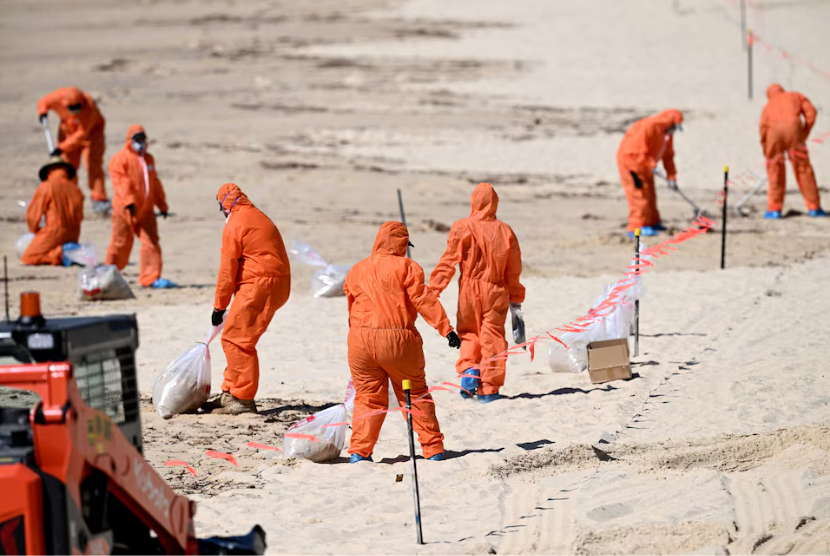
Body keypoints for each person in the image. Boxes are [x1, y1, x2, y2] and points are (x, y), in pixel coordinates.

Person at [344, 221, 460, 463]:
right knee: (415, 392)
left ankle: (359, 453)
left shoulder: (356, 269)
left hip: (359, 341)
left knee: (367, 396)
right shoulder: (408, 266)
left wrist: (358, 337)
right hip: (398, 340)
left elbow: (351, 307)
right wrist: (446, 329)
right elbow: (423, 300)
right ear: (401, 244)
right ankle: (433, 450)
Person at [429, 182, 524, 404]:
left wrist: (433, 291)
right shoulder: (505, 230)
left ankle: (470, 370)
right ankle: (489, 390)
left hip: (469, 289)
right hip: (496, 289)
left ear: (474, 202)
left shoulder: (462, 226)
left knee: (469, 332)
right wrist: (516, 298)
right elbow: (514, 270)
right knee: (493, 338)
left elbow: (448, 262)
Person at [205, 183, 291, 415]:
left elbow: (227, 269)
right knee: (235, 335)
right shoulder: (257, 215)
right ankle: (230, 391)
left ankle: (241, 399)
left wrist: (219, 306)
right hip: (276, 283)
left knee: (237, 339)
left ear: (225, 205)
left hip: (261, 284)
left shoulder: (236, 223)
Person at [104, 125, 175, 288]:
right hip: (125, 209)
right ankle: (108, 275)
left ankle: (150, 278)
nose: (140, 143)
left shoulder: (148, 159)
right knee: (120, 243)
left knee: (151, 243)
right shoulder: (120, 159)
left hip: (146, 210)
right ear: (129, 140)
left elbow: (154, 183)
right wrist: (129, 201)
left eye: (142, 139)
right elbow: (121, 182)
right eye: (136, 140)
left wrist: (162, 205)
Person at [37, 87, 110, 214]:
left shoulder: (90, 106)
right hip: (68, 130)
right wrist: (42, 113)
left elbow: (82, 133)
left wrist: (61, 148)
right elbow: (43, 102)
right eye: (72, 109)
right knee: (68, 166)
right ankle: (69, 198)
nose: (75, 112)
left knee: (93, 165)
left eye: (78, 108)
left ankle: (99, 199)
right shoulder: (57, 97)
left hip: (92, 134)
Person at [760, 84, 824, 218]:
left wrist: (767, 150)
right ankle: (814, 207)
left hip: (773, 134)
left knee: (774, 170)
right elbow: (811, 112)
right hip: (794, 131)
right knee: (803, 168)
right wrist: (804, 133)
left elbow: (763, 129)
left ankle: (774, 209)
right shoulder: (795, 96)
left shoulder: (768, 106)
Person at [616, 109, 684, 236]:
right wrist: (652, 165)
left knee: (650, 194)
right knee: (639, 195)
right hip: (631, 164)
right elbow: (638, 151)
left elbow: (668, 156)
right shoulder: (648, 127)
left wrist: (671, 177)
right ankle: (636, 227)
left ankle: (652, 222)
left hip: (646, 166)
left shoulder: (666, 135)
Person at [21, 156, 85, 266]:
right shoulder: (76, 189)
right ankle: (68, 251)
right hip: (74, 233)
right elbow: (80, 216)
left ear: (49, 171)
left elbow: (33, 216)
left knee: (29, 257)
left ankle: (61, 254)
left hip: (54, 230)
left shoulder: (46, 186)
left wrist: (36, 231)